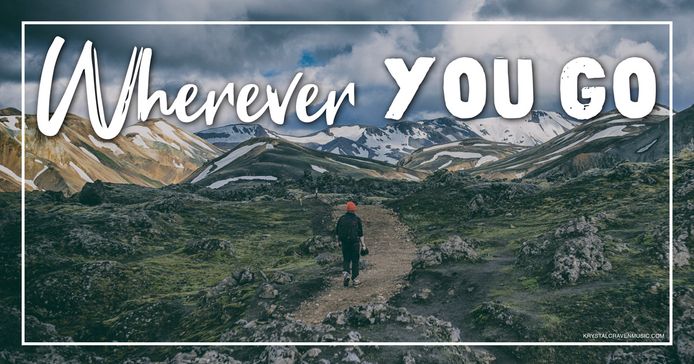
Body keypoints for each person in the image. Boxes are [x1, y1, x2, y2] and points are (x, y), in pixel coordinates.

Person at [335, 201, 365, 287]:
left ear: (347, 209)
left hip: (345, 243)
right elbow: (361, 234)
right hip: (355, 243)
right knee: (355, 261)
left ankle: (346, 273)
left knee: (346, 259)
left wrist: (338, 242)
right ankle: (355, 279)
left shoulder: (341, 219)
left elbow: (337, 232)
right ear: (354, 210)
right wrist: (363, 245)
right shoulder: (357, 219)